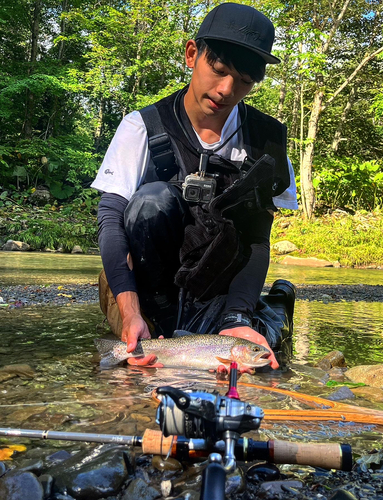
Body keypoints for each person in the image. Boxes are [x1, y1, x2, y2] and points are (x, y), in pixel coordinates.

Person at [92, 2, 298, 372]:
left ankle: (275, 303)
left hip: (219, 290)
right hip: (146, 292)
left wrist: (236, 317)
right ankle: (148, 323)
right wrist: (129, 312)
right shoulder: (141, 127)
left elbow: (257, 240)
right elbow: (110, 222)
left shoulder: (269, 144)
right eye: (218, 70)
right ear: (192, 54)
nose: (226, 90)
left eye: (245, 82)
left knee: (264, 359)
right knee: (149, 201)